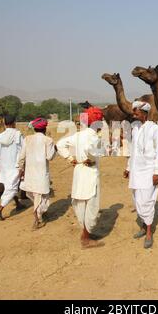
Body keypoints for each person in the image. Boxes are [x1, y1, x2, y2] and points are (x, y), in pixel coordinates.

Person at [57, 107, 106, 249]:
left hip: (78, 171)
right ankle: (85, 238)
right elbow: (92, 150)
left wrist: (70, 158)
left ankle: (86, 233)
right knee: (92, 204)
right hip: (90, 172)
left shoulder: (77, 135)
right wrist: (89, 158)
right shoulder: (94, 137)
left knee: (81, 203)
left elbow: (60, 144)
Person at [123, 101, 158, 249]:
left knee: (146, 201)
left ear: (145, 113)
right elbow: (133, 150)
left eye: (137, 112)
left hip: (149, 171)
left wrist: (157, 172)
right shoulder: (135, 129)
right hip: (136, 171)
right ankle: (143, 226)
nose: (134, 114)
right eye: (134, 112)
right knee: (137, 200)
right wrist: (128, 167)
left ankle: (148, 232)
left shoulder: (155, 129)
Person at [18, 118, 56, 230]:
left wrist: (20, 169)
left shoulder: (27, 139)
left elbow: (21, 156)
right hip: (41, 173)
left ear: (34, 128)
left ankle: (39, 214)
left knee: (35, 195)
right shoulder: (48, 140)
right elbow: (50, 156)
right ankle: (37, 219)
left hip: (29, 173)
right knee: (42, 196)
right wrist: (56, 149)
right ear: (45, 128)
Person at [0, 114, 24, 221]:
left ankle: (18, 203)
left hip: (4, 167)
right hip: (15, 166)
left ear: (4, 124)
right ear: (14, 123)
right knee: (12, 188)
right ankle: (0, 209)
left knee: (9, 186)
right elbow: (23, 150)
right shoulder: (18, 134)